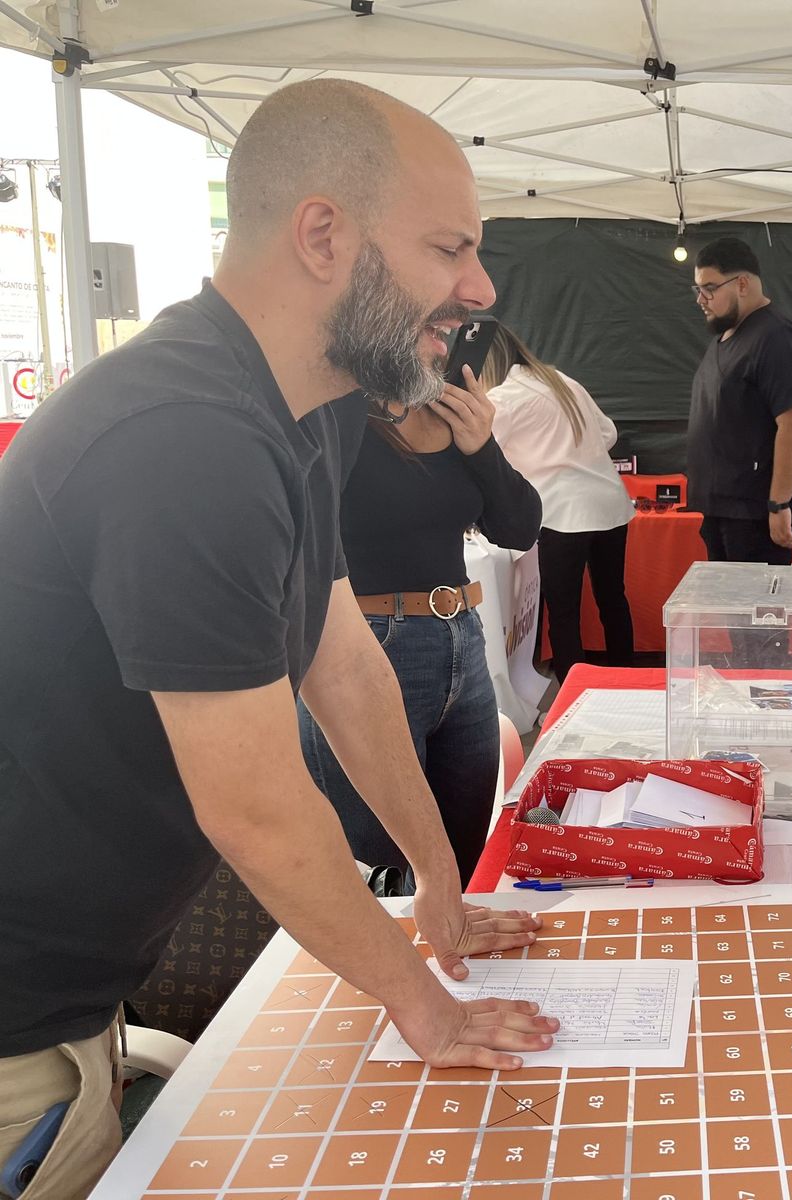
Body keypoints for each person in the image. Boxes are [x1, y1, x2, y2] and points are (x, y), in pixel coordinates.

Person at [0, 80, 558, 1199]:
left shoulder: (294, 413)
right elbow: (254, 803)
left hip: (73, 991)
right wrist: (425, 1008)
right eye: (449, 249)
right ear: (322, 235)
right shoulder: (189, 433)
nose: (479, 289)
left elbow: (340, 659)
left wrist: (440, 890)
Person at [298, 362, 543, 894]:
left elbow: (519, 526)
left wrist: (482, 447)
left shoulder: (445, 406)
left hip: (461, 636)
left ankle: (455, 972)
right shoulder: (329, 406)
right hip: (364, 641)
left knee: (462, 859)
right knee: (384, 864)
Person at [484, 325, 635, 681]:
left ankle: (573, 696)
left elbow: (484, 451)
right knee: (613, 597)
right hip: (609, 505)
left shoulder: (503, 398)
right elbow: (608, 432)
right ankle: (627, 680)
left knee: (564, 612)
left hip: (562, 515)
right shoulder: (560, 380)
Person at [686, 236, 792, 565]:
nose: (701, 299)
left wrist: (778, 503)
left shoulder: (778, 338)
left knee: (756, 614)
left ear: (742, 283)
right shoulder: (728, 336)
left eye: (709, 288)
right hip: (722, 509)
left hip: (754, 516)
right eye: (697, 289)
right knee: (732, 612)